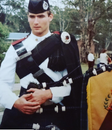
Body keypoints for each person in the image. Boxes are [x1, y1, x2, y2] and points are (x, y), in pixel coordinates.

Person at [0, 0, 82, 129]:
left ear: (50, 17)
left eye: (41, 16)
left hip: (57, 115)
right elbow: (2, 84)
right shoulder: (15, 49)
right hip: (24, 115)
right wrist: (15, 102)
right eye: (32, 16)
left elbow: (74, 86)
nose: (36, 22)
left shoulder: (63, 45)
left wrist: (48, 94)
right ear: (28, 17)